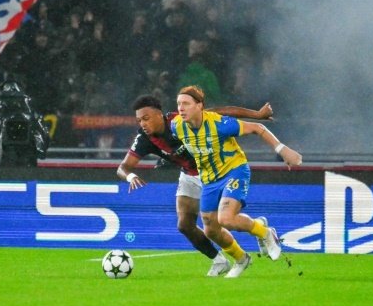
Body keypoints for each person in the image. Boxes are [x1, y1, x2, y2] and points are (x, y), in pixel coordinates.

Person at [117, 94, 274, 277]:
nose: (142, 124)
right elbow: (123, 167)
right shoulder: (144, 138)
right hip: (189, 175)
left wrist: (257, 114)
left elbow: (222, 112)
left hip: (216, 172)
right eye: (139, 121)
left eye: (146, 118)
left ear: (159, 115)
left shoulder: (180, 120)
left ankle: (254, 234)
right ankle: (220, 260)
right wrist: (130, 177)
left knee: (219, 224)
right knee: (184, 225)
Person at [171, 85, 302, 278]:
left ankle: (265, 233)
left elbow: (258, 128)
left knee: (226, 219)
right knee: (210, 230)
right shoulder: (177, 126)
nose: (181, 108)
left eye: (186, 104)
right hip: (208, 179)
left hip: (234, 171)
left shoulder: (219, 124)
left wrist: (282, 150)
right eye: (179, 104)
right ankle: (242, 259)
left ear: (199, 106)